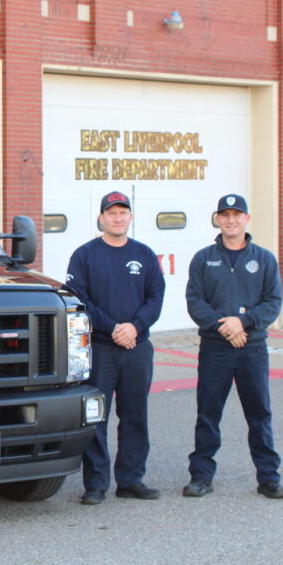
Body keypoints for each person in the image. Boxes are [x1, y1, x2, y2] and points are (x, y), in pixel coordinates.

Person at [183, 194, 283, 499]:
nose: (231, 220)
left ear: (247, 219)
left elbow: (272, 303)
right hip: (215, 349)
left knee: (259, 414)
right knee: (208, 414)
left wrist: (243, 323)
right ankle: (201, 476)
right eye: (225, 215)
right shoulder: (203, 259)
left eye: (237, 215)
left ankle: (269, 478)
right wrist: (224, 327)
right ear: (217, 219)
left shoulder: (264, 259)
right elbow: (195, 302)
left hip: (251, 349)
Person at [66, 190, 165, 505]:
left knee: (135, 415)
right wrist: (112, 328)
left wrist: (134, 327)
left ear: (130, 217)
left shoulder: (144, 255)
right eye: (112, 213)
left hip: (137, 347)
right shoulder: (84, 255)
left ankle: (131, 480)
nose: (118, 218)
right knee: (96, 416)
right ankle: (96, 484)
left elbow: (155, 298)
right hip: (100, 349)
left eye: (123, 213)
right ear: (101, 218)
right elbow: (80, 300)